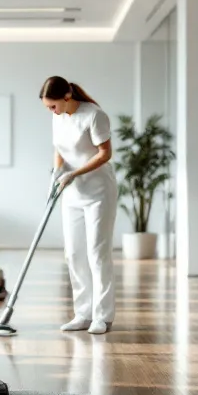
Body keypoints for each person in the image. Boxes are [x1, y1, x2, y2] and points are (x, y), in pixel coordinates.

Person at [41, 76, 116, 335]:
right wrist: (57, 172)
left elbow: (105, 154)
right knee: (74, 253)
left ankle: (102, 316)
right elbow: (59, 149)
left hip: (98, 192)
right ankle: (82, 313)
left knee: (97, 252)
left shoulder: (94, 115)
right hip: (71, 192)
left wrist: (75, 173)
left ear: (67, 96)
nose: (52, 111)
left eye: (53, 106)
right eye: (48, 107)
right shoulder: (57, 117)